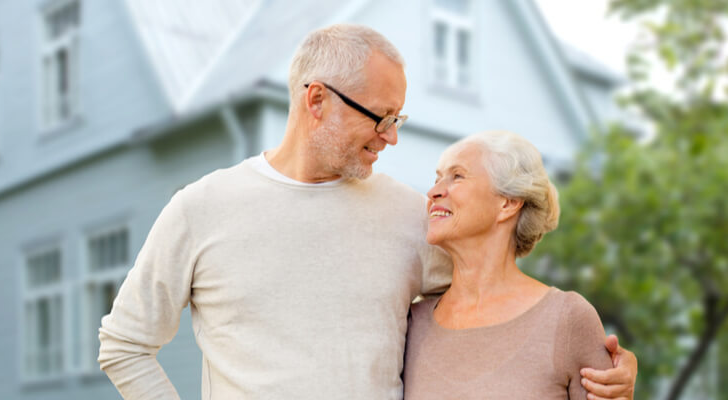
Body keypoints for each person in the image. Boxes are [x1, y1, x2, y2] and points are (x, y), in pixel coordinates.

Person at [99, 24, 636, 399]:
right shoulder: (201, 209)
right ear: (317, 102)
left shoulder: (410, 217)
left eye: (399, 118)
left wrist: (606, 369)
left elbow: (500, 301)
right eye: (381, 118)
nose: (393, 138)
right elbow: (124, 344)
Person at [404, 131, 625, 399]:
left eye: (457, 176)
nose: (433, 191)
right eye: (436, 178)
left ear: (507, 203)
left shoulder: (567, 319)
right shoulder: (411, 323)